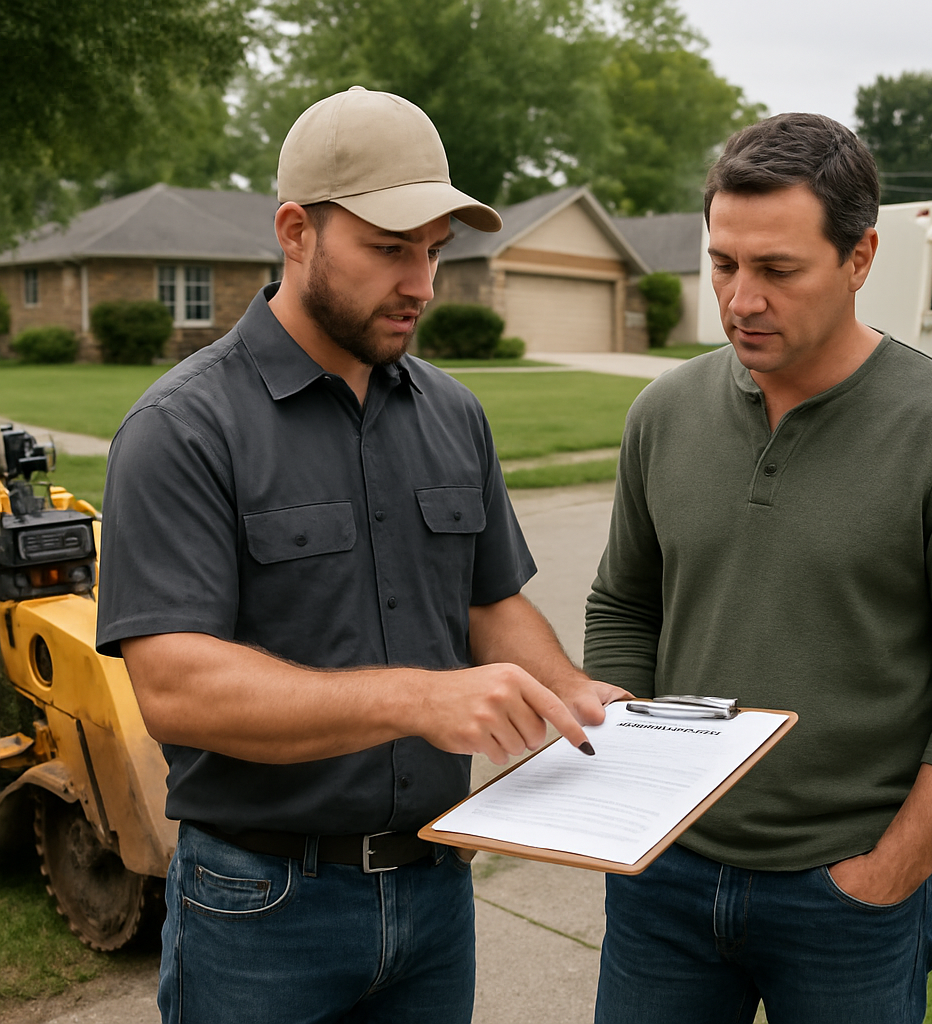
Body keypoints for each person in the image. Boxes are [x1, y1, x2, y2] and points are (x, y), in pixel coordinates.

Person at [96, 86, 625, 1024]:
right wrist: (423, 697)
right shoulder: (184, 427)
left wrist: (571, 696)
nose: (421, 282)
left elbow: (490, 605)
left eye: (433, 250)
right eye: (389, 248)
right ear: (296, 231)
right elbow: (175, 687)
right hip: (261, 904)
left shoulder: (453, 414)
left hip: (434, 892)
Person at [583, 112, 932, 1024]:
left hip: (845, 897)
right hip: (662, 883)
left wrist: (893, 869)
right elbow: (624, 604)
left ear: (861, 258)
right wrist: (623, 790)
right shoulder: (663, 413)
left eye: (778, 270)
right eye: (723, 263)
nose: (741, 299)